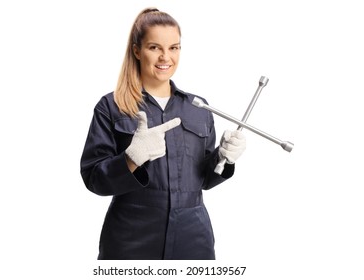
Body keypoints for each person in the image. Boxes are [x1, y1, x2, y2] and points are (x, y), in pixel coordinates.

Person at [80, 7, 246, 260]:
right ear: (137, 50)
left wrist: (224, 159)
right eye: (154, 47)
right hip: (130, 240)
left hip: (193, 240)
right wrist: (131, 159)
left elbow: (203, 181)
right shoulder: (111, 106)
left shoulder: (198, 108)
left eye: (174, 47)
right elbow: (94, 179)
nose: (165, 57)